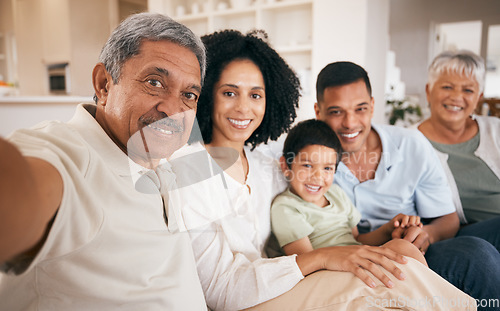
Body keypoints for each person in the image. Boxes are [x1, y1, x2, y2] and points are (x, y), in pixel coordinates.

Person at [181, 29, 475, 311]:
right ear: (206, 94)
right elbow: (221, 291)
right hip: (251, 298)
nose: (244, 108)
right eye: (230, 93)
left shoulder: (264, 163)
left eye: (255, 95)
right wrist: (323, 258)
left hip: (287, 281)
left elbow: (310, 164)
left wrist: (384, 235)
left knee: (399, 260)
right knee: (390, 280)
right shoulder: (191, 173)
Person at [0, 13, 209, 310]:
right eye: (155, 82)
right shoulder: (71, 155)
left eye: (189, 94)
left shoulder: (156, 159)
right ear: (104, 85)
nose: (173, 110)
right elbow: (25, 191)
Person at [314, 60, 500, 308]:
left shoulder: (410, 143)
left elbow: (447, 218)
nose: (350, 123)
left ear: (372, 106)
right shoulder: (308, 162)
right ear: (318, 112)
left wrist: (425, 235)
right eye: (336, 112)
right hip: (367, 256)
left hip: (420, 247)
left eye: (360, 109)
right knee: (476, 256)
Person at [271, 119, 427, 267]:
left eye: (327, 168)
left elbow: (357, 239)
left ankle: (434, 295)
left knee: (402, 246)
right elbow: (308, 263)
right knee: (400, 249)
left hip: (356, 260)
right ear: (285, 166)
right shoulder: (286, 207)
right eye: (307, 165)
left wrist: (389, 228)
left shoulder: (336, 193)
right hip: (327, 272)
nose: (318, 177)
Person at [417, 50, 500, 252]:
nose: (456, 97)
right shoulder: (411, 142)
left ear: (479, 97)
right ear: (429, 91)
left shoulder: (495, 129)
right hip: (462, 237)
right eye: (447, 87)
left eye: (468, 90)